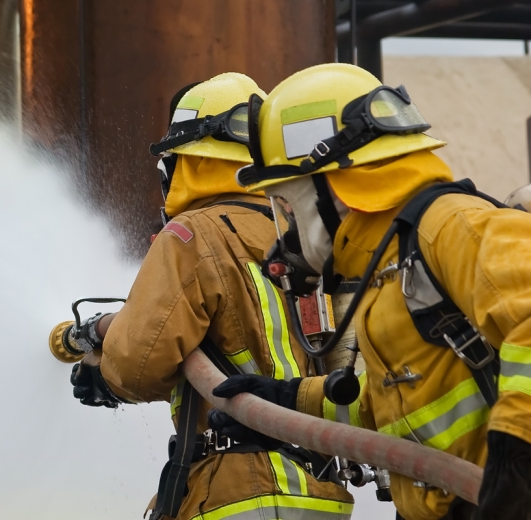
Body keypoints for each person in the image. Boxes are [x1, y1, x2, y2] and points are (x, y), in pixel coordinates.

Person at [208, 62, 531, 520]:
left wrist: (516, 458)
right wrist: (287, 404)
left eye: (290, 204)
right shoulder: (390, 270)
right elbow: (391, 411)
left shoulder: (452, 227)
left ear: (332, 184)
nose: (291, 229)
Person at [67, 72, 354, 519]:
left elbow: (138, 367)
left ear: (187, 160)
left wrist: (104, 373)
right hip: (318, 486)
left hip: (244, 491)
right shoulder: (307, 236)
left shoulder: (192, 234)